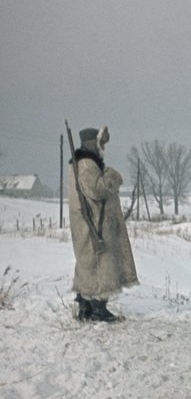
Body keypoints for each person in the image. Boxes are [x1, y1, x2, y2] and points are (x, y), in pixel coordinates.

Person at [68, 126, 138, 322]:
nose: (102, 147)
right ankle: (98, 309)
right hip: (95, 225)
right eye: (100, 143)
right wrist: (112, 175)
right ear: (93, 143)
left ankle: (86, 308)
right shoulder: (87, 164)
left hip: (88, 224)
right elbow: (97, 190)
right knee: (101, 265)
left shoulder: (80, 163)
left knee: (88, 265)